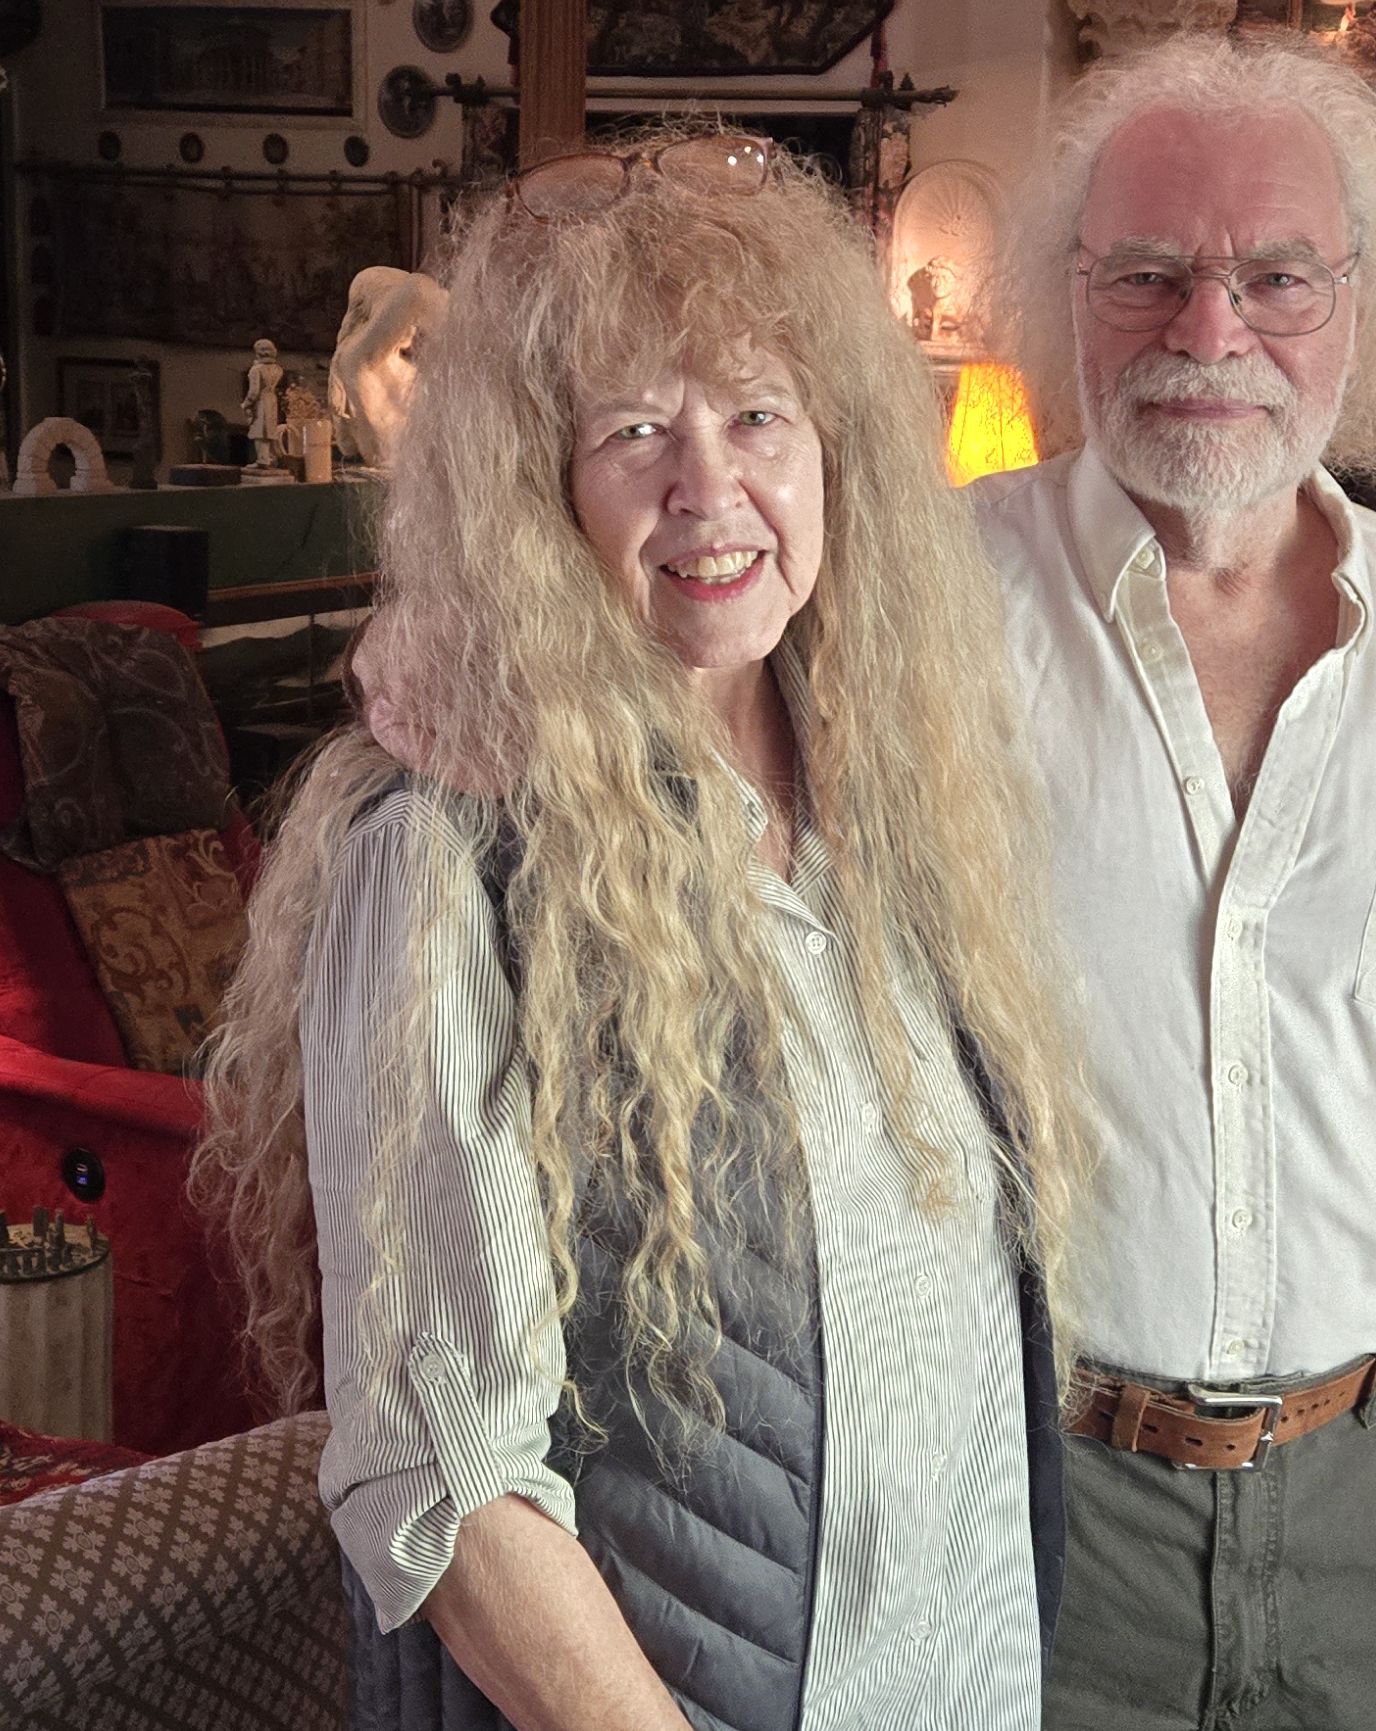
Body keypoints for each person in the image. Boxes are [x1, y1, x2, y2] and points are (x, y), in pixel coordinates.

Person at [199, 133, 1091, 1731]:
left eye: (759, 415)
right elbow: (447, 1487)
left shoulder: (902, 805)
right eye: (633, 433)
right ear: (531, 491)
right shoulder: (445, 865)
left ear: (840, 457)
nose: (711, 487)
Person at [965, 32, 1376, 1731]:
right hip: (1034, 1490)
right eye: (1148, 273)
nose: (1209, 332)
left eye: (1275, 276)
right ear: (1068, 293)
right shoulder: (923, 598)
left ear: (1358, 302)